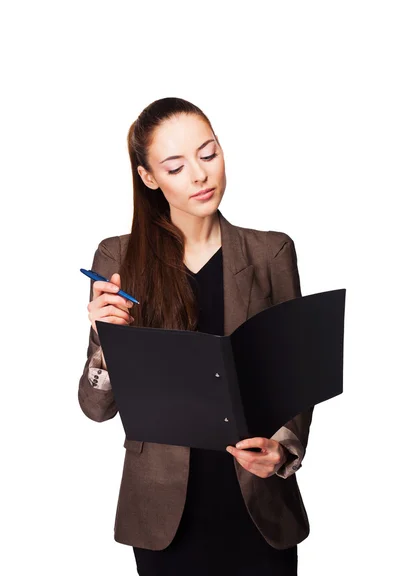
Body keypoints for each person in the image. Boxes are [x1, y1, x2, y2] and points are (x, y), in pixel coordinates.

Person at [78, 97, 314, 575]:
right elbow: (97, 407)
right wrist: (105, 341)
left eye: (208, 155)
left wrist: (284, 450)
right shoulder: (118, 257)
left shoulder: (271, 252)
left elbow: (297, 376)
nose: (200, 175)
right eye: (176, 166)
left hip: (257, 498)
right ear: (149, 177)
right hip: (163, 509)